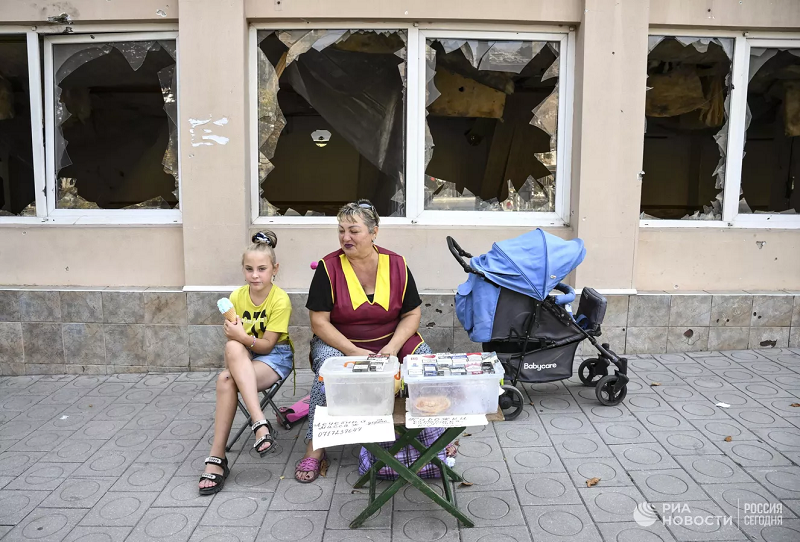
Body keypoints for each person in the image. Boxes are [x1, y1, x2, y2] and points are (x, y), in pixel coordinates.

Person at [296, 200, 451, 483]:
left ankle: (434, 436)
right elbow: (319, 322)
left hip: (391, 340)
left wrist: (392, 347)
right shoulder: (328, 268)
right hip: (342, 342)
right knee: (325, 374)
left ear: (374, 232)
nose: (345, 237)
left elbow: (412, 313)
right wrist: (354, 351)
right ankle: (315, 448)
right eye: (341, 231)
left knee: (424, 362)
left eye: (354, 231)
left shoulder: (397, 264)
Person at [198, 231, 294, 495]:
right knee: (231, 348)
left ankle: (217, 458)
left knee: (226, 379)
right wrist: (237, 336)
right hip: (246, 358)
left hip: (275, 358)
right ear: (242, 270)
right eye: (249, 269)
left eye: (262, 269)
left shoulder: (280, 300)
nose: (255, 275)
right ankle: (260, 423)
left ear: (274, 270)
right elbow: (234, 342)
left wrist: (242, 336)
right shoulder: (236, 297)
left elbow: (267, 345)